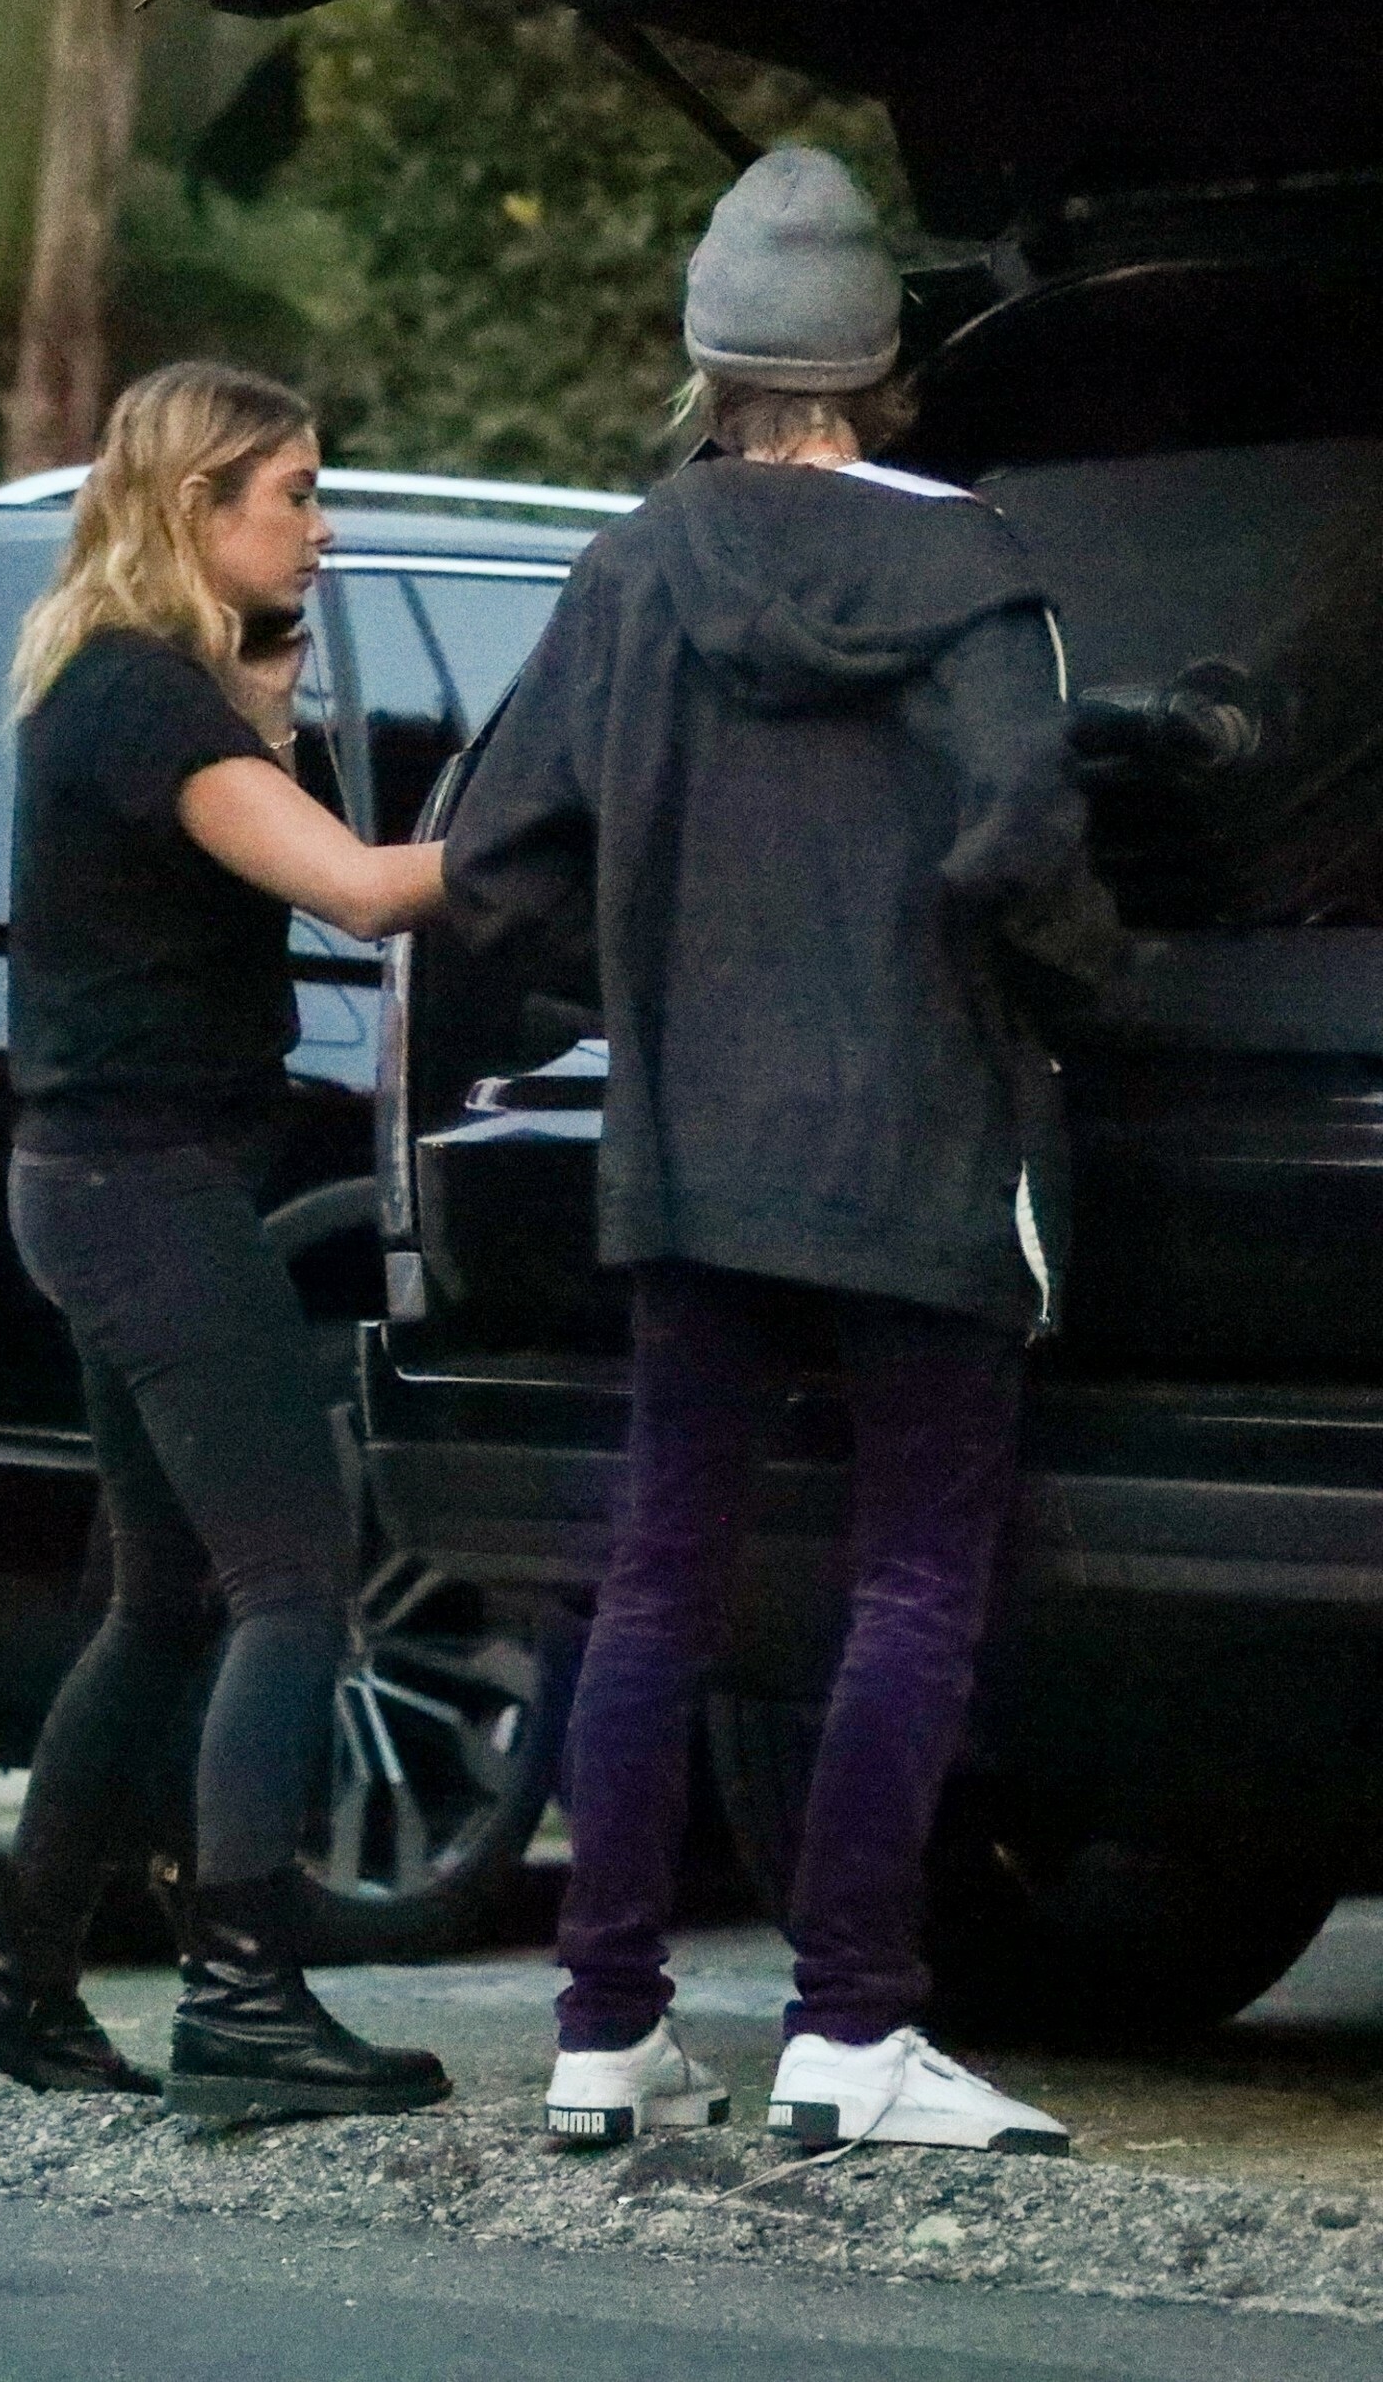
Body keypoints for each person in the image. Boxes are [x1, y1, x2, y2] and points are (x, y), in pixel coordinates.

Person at [443, 149, 1126, 2153]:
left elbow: (492, 865)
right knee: (911, 1581)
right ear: (882, 363)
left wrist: (651, 983)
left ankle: (603, 2033)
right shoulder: (974, 568)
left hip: (688, 1154)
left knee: (657, 1578)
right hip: (920, 1147)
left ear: (709, 363)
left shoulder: (629, 567)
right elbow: (1018, 837)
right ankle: (849, 2031)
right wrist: (1078, 977)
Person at [0, 361, 450, 2122]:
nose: (323, 526)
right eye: (294, 492)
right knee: (293, 1583)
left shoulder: (123, 682)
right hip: (146, 1190)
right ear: (195, 504)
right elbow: (360, 890)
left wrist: (267, 709)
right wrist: (568, 826)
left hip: (98, 1181)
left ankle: (13, 1984)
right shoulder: (146, 700)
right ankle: (243, 1998)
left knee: (162, 1604)